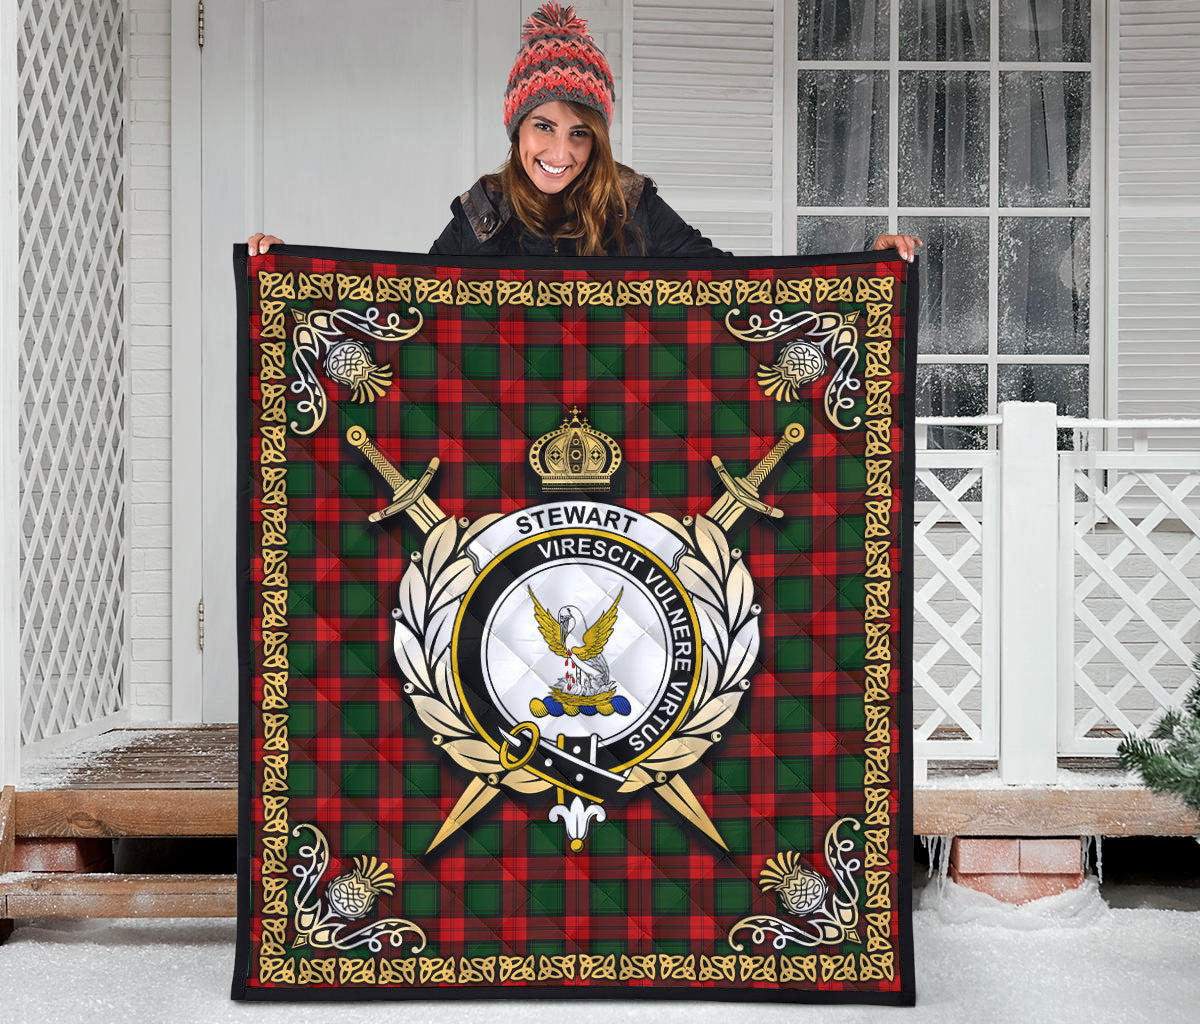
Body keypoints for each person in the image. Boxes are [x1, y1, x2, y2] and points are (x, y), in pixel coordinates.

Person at [248, 3, 920, 262]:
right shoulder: (483, 211)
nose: (560, 152)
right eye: (543, 127)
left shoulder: (633, 204)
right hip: (505, 442)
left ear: (598, 139)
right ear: (517, 129)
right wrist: (287, 268)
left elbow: (737, 287)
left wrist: (867, 265)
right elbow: (405, 305)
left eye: (580, 134)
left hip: (622, 438)